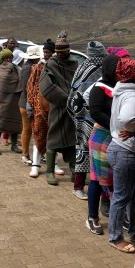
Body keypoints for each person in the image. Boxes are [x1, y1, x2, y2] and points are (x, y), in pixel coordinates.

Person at [107, 56, 135, 253]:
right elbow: (127, 117)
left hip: (121, 149)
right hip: (126, 151)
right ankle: (115, 238)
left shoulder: (123, 91)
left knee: (133, 196)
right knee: (122, 197)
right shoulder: (132, 96)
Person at [69, 41, 107, 201]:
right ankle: (84, 187)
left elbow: (73, 90)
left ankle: (81, 186)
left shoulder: (83, 67)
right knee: (95, 151)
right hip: (92, 115)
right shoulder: (102, 68)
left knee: (84, 148)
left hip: (84, 115)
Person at [39, 31, 79, 187]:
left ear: (68, 50)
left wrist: (75, 98)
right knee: (54, 137)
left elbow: (79, 82)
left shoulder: (74, 64)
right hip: (58, 105)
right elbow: (46, 85)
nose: (62, 55)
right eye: (59, 52)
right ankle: (49, 171)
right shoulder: (51, 64)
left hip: (72, 108)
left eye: (64, 52)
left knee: (71, 138)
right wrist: (65, 98)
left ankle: (74, 170)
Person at [86, 54, 119, 235]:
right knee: (96, 180)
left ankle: (116, 215)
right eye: (116, 68)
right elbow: (96, 112)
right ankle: (92, 217)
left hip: (115, 138)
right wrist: (116, 126)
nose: (119, 71)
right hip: (102, 137)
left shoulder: (119, 87)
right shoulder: (98, 88)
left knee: (114, 180)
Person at [27, 39, 54, 178]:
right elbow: (31, 87)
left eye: (48, 52)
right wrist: (29, 104)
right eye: (44, 52)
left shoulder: (57, 67)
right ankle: (35, 165)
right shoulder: (38, 67)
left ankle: (52, 164)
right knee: (38, 132)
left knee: (52, 136)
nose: (46, 54)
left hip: (54, 107)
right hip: (38, 106)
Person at [0, 49, 26, 155]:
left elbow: (21, 80)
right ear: (2, 59)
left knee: (15, 122)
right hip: (3, 100)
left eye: (10, 58)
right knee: (0, 121)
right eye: (7, 58)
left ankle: (14, 145)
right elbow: (4, 81)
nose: (9, 60)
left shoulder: (16, 69)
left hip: (15, 99)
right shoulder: (0, 70)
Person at [19, 45, 39, 165]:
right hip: (27, 103)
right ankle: (25, 155)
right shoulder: (28, 68)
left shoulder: (29, 67)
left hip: (26, 102)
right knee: (27, 130)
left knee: (29, 130)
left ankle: (30, 154)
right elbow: (27, 88)